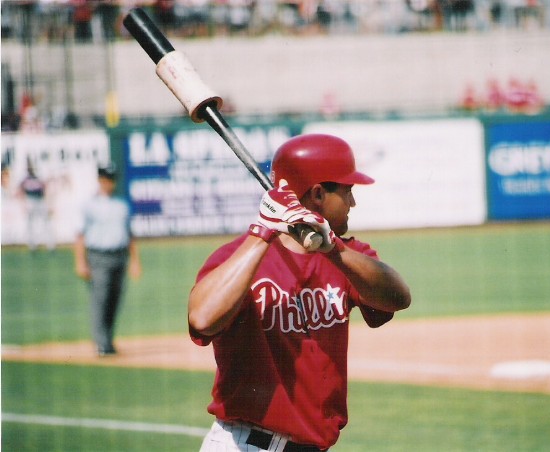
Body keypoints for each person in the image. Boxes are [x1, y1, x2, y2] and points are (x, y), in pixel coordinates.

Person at [189, 134, 412, 451]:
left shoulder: (348, 256)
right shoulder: (237, 258)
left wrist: (333, 250)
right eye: (347, 191)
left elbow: (398, 298)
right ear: (319, 193)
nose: (353, 203)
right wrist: (263, 231)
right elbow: (201, 320)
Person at [74, 164, 141, 357]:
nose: (108, 183)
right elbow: (80, 235)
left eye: (111, 179)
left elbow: (129, 235)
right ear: (99, 180)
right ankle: (101, 343)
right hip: (98, 256)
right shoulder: (89, 205)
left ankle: (108, 340)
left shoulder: (122, 204)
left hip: (120, 256)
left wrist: (135, 261)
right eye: (105, 179)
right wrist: (80, 262)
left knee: (114, 299)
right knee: (100, 299)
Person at [19, 161, 55, 251]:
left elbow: (45, 190)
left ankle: (51, 245)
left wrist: (49, 203)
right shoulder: (25, 179)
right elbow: (21, 190)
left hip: (40, 201)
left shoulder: (39, 178)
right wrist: (23, 203)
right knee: (30, 224)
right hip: (30, 200)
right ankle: (32, 246)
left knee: (46, 223)